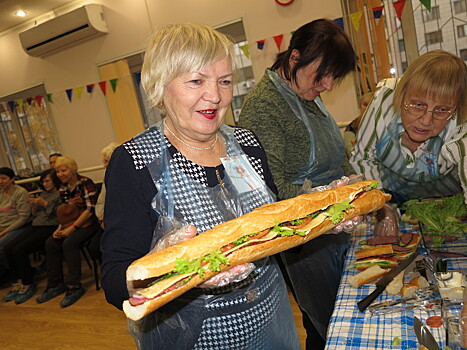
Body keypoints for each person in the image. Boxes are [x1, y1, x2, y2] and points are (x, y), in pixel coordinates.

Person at [101, 23, 300, 350]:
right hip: (193, 340)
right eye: (196, 81)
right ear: (159, 87)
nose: (215, 96)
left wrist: (322, 220)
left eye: (224, 81)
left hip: (271, 326)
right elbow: (113, 283)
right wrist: (160, 264)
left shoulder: (246, 145)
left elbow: (276, 232)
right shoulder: (135, 162)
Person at [238, 19, 357, 349]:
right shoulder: (264, 107)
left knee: (343, 314)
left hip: (334, 223)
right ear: (294, 58)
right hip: (304, 239)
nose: (329, 86)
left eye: (335, 76)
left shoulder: (308, 94)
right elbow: (269, 189)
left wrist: (356, 185)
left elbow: (335, 156)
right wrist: (329, 203)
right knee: (324, 328)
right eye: (323, 74)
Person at [351, 50, 467, 205]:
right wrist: (380, 206)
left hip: (452, 203)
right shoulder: (385, 99)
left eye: (442, 110)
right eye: (418, 105)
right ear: (401, 95)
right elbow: (362, 158)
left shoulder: (462, 120)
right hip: (391, 196)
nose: (426, 121)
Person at [36, 156, 100, 307]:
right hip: (70, 224)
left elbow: (90, 210)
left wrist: (72, 229)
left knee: (69, 243)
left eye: (64, 170)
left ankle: (74, 286)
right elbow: (65, 213)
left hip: (88, 224)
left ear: (73, 170)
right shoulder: (63, 188)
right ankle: (55, 284)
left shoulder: (85, 183)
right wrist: (60, 228)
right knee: (51, 243)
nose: (60, 174)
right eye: (58, 172)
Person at [2, 169, 61, 303]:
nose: (45, 184)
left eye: (47, 181)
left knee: (19, 250)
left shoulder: (60, 193)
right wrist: (34, 206)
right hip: (36, 225)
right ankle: (17, 282)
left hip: (49, 226)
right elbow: (36, 214)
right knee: (8, 249)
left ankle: (28, 283)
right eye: (43, 181)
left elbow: (59, 212)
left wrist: (43, 204)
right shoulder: (43, 194)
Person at [0, 167, 31, 282]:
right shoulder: (1, 194)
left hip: (19, 227)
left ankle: (18, 272)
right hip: (3, 228)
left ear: (12, 179)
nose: (0, 182)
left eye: (4, 178)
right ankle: (10, 272)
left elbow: (23, 218)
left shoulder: (20, 192)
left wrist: (4, 232)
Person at [95, 142, 119, 227]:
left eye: (106, 161)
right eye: (104, 161)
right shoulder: (107, 177)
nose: (104, 165)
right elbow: (101, 201)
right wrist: (101, 216)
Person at [343, 92, 374, 158]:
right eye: (365, 105)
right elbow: (350, 152)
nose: (367, 108)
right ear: (360, 106)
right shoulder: (352, 127)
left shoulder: (382, 124)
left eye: (371, 105)